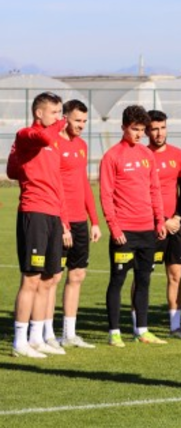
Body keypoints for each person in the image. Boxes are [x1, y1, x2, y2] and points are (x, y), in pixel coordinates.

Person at [99, 105, 167, 347]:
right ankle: (114, 332)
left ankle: (142, 330)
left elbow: (155, 190)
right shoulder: (112, 156)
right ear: (123, 127)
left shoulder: (147, 155)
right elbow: (106, 195)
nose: (139, 134)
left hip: (147, 230)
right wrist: (114, 228)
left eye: (142, 130)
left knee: (143, 280)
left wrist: (159, 220)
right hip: (124, 232)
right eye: (134, 129)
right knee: (117, 280)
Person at [9, 92, 69, 358]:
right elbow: (42, 138)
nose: (58, 118)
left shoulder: (53, 143)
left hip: (53, 215)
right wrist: (61, 124)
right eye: (54, 112)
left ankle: (36, 337)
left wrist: (64, 221)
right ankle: (19, 341)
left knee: (49, 278)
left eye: (60, 113)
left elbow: (57, 184)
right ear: (39, 113)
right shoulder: (27, 135)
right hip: (34, 212)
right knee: (31, 278)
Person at [56, 99, 100, 350]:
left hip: (80, 221)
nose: (82, 125)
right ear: (64, 118)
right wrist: (63, 224)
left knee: (78, 274)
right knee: (52, 277)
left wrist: (94, 221)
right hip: (58, 220)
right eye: (77, 120)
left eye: (84, 121)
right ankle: (43, 334)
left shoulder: (82, 145)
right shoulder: (53, 144)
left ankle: (69, 334)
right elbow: (53, 185)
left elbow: (84, 184)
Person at [146, 110, 181, 339]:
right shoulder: (142, 155)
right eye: (154, 129)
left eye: (162, 128)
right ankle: (139, 327)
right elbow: (141, 193)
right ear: (147, 131)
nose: (159, 133)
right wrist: (161, 221)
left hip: (175, 224)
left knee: (176, 274)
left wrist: (177, 217)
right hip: (150, 224)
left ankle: (175, 326)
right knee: (143, 274)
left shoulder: (178, 154)